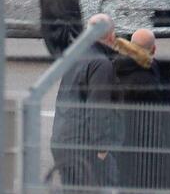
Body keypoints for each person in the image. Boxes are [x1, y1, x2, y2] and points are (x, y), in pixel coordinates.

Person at [50, 13, 119, 190]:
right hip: (83, 146)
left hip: (62, 139)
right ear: (111, 36)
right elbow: (97, 108)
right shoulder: (101, 64)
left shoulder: (75, 55)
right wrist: (102, 148)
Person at [113, 28, 170, 190]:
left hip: (122, 151)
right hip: (149, 155)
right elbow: (160, 123)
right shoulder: (151, 78)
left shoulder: (114, 70)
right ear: (154, 49)